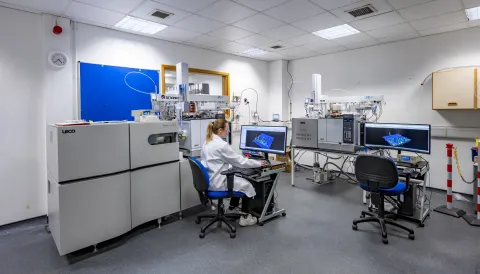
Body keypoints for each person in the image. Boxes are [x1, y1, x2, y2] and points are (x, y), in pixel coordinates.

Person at [201, 119, 265, 227]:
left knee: (238, 178)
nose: (229, 131)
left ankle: (232, 207)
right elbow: (240, 161)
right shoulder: (221, 145)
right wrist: (258, 164)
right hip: (219, 182)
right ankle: (246, 218)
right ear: (220, 130)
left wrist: (231, 165)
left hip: (210, 179)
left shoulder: (208, 141)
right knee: (247, 185)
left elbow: (213, 161)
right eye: (227, 128)